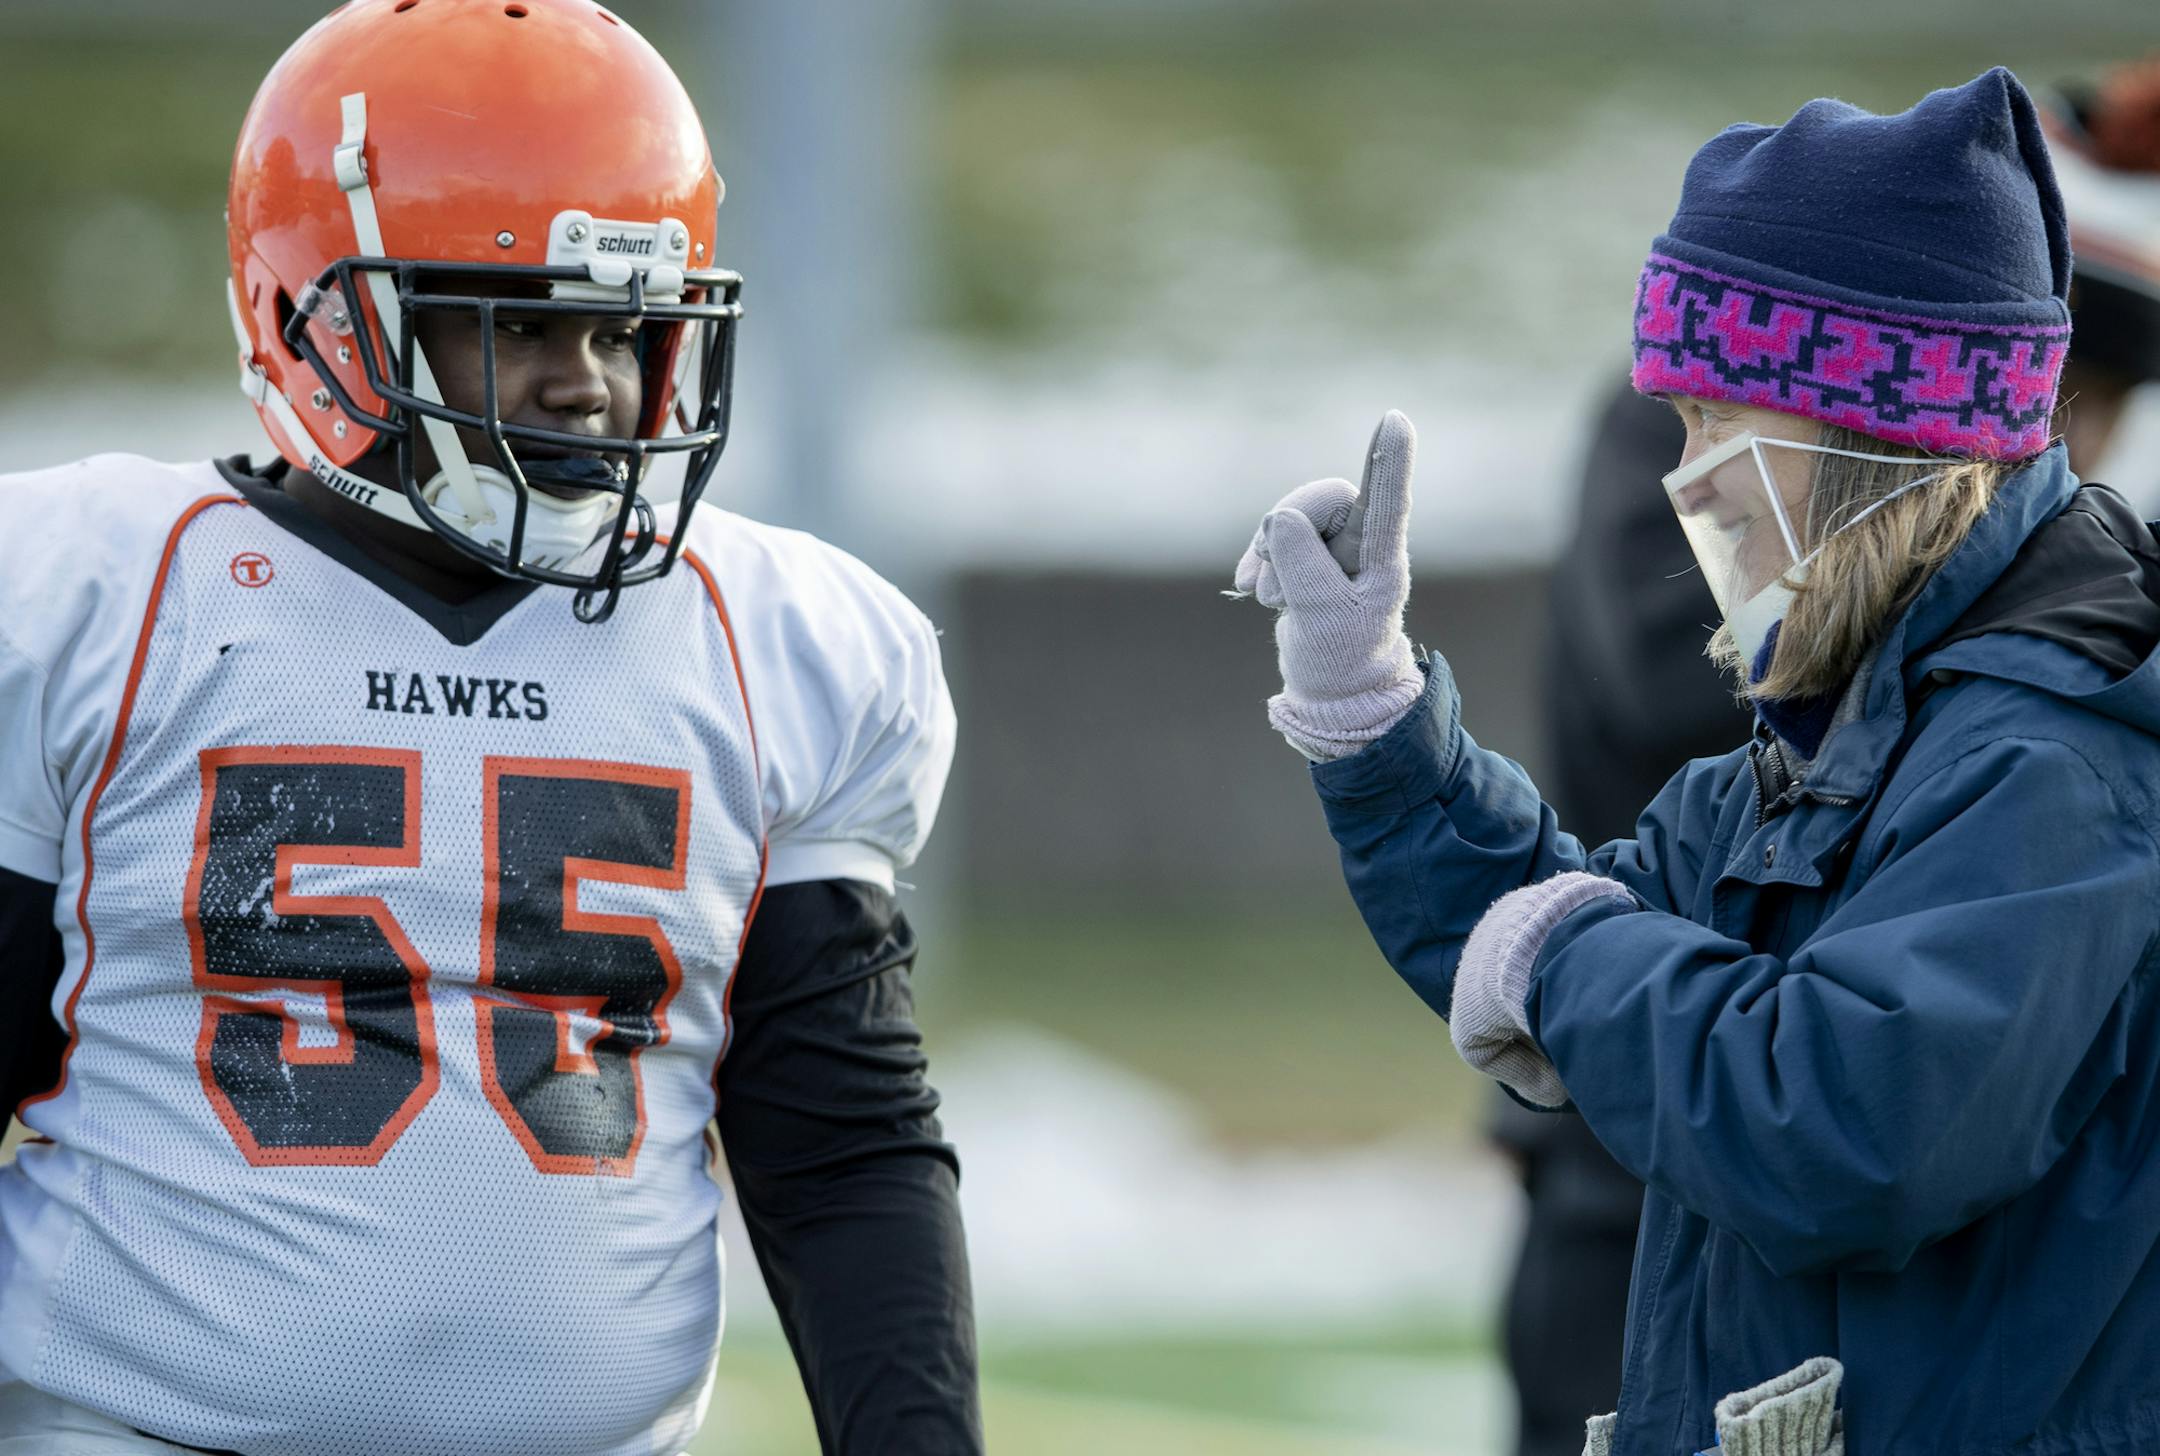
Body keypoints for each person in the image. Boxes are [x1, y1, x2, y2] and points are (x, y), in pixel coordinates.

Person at [0, 3, 980, 1453]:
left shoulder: (775, 640)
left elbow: (838, 1141)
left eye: (621, 327)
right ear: (318, 323)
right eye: (518, 321)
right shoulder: (96, 597)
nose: (587, 380)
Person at [1239, 68, 2160, 1454]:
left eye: (1715, 420)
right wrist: (1376, 722)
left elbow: (1842, 1130)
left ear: (1870, 430)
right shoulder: (1858, 722)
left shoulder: (2054, 759)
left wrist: (1563, 957)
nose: (1688, 480)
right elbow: (1563, 924)